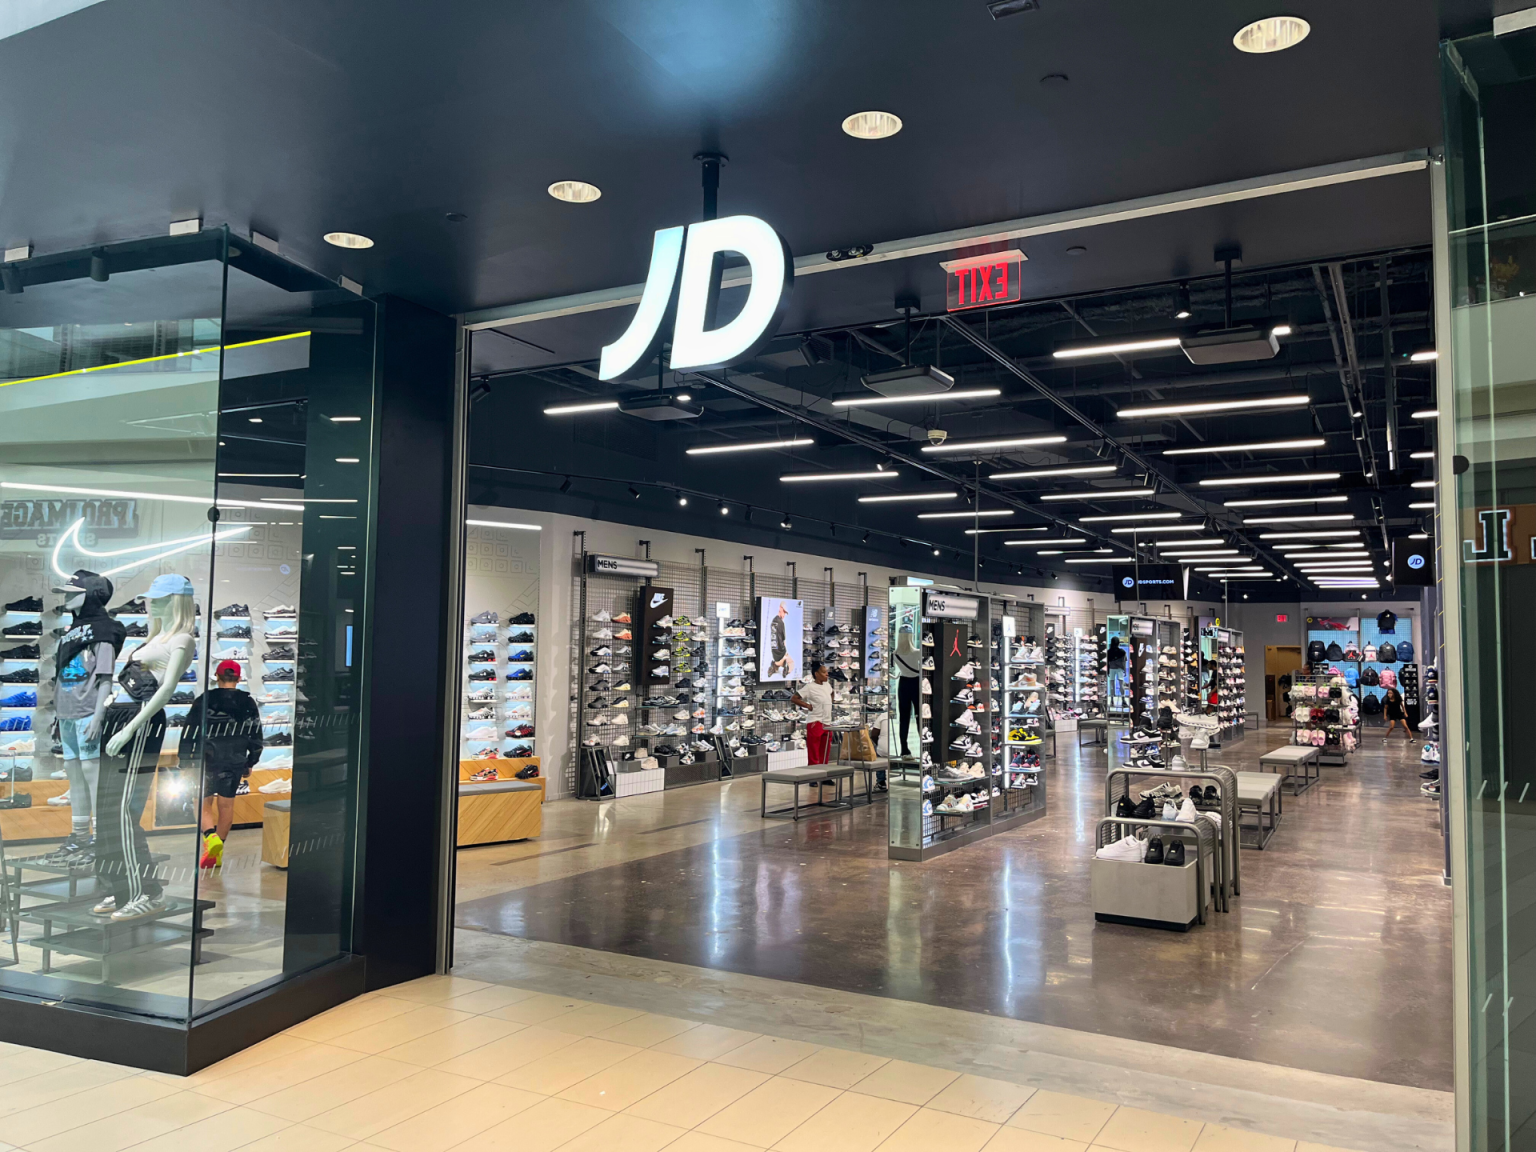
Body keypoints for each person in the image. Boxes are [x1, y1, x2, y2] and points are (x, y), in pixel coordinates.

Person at [180, 658, 264, 868]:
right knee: (226, 805)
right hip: (234, 757)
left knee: (201, 803)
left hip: (207, 757)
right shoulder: (247, 701)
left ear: (216, 676)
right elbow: (255, 732)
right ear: (239, 678)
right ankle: (218, 851)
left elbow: (190, 730)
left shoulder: (204, 699)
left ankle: (211, 838)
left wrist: (185, 759)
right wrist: (251, 760)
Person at [791, 661, 834, 765]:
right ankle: (814, 773)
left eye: (826, 672)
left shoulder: (827, 685)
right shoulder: (809, 687)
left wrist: (830, 702)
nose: (827, 674)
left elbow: (832, 693)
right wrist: (807, 706)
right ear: (816, 674)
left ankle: (824, 772)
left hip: (827, 723)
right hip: (815, 722)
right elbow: (794, 698)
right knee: (814, 753)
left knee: (825, 753)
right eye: (824, 672)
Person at [766, 601, 793, 679]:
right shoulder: (781, 623)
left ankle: (775, 666)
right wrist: (785, 653)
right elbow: (784, 640)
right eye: (784, 612)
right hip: (781, 652)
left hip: (774, 651)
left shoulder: (773, 621)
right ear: (780, 608)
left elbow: (774, 637)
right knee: (792, 663)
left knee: (780, 660)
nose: (784, 615)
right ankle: (785, 667)